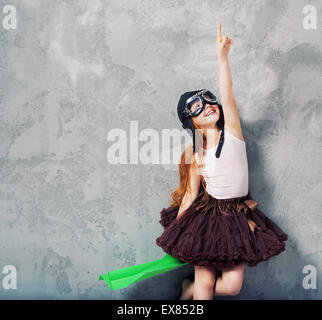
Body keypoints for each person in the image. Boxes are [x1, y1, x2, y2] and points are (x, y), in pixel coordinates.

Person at [155, 24, 288, 300]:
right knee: (205, 284)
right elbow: (191, 193)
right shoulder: (196, 155)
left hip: (237, 217)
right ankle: (196, 289)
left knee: (232, 286)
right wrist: (177, 231)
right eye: (197, 108)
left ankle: (188, 288)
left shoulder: (234, 134)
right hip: (205, 218)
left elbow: (227, 92)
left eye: (209, 100)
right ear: (190, 122)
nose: (208, 106)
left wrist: (222, 57)